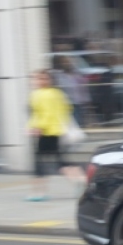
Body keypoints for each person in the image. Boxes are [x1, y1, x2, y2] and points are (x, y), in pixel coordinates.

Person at [26, 69, 85, 201]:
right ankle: (79, 179)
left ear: (49, 80)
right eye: (37, 79)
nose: (39, 81)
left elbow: (42, 114)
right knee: (59, 160)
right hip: (58, 131)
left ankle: (38, 193)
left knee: (40, 163)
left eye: (42, 79)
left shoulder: (39, 94)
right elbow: (68, 109)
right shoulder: (58, 93)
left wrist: (36, 128)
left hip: (47, 132)